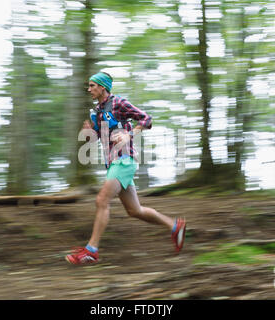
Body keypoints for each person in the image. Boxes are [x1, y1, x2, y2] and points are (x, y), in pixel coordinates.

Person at [65, 71, 186, 265]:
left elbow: (146, 119)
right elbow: (97, 137)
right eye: (88, 86)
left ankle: (91, 250)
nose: (89, 90)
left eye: (92, 86)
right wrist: (88, 133)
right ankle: (174, 225)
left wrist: (130, 134)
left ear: (102, 87)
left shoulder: (119, 103)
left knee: (101, 200)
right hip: (113, 163)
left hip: (124, 160)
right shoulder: (97, 110)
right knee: (134, 210)